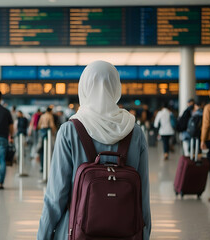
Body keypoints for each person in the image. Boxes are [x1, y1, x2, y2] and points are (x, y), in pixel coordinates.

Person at [37, 61, 150, 240]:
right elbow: (143, 196)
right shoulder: (134, 131)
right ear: (115, 88)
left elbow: (56, 195)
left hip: (76, 231)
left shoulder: (70, 130)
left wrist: (43, 236)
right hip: (125, 231)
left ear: (85, 87)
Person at [37, 107, 56, 172]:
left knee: (42, 150)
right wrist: (54, 133)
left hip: (42, 131)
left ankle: (42, 167)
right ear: (50, 111)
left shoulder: (42, 115)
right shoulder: (50, 116)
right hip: (48, 132)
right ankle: (49, 166)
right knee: (49, 150)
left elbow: (39, 125)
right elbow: (52, 125)